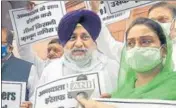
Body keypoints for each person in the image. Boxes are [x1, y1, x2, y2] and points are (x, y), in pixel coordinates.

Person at [73, 17, 176, 108]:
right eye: (130, 43)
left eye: (146, 41)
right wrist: (113, 101)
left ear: (164, 50)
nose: (136, 48)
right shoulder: (123, 89)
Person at [1, 27, 39, 102]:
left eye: (1, 42)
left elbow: (37, 99)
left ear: (10, 48)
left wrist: (30, 105)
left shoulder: (28, 69)